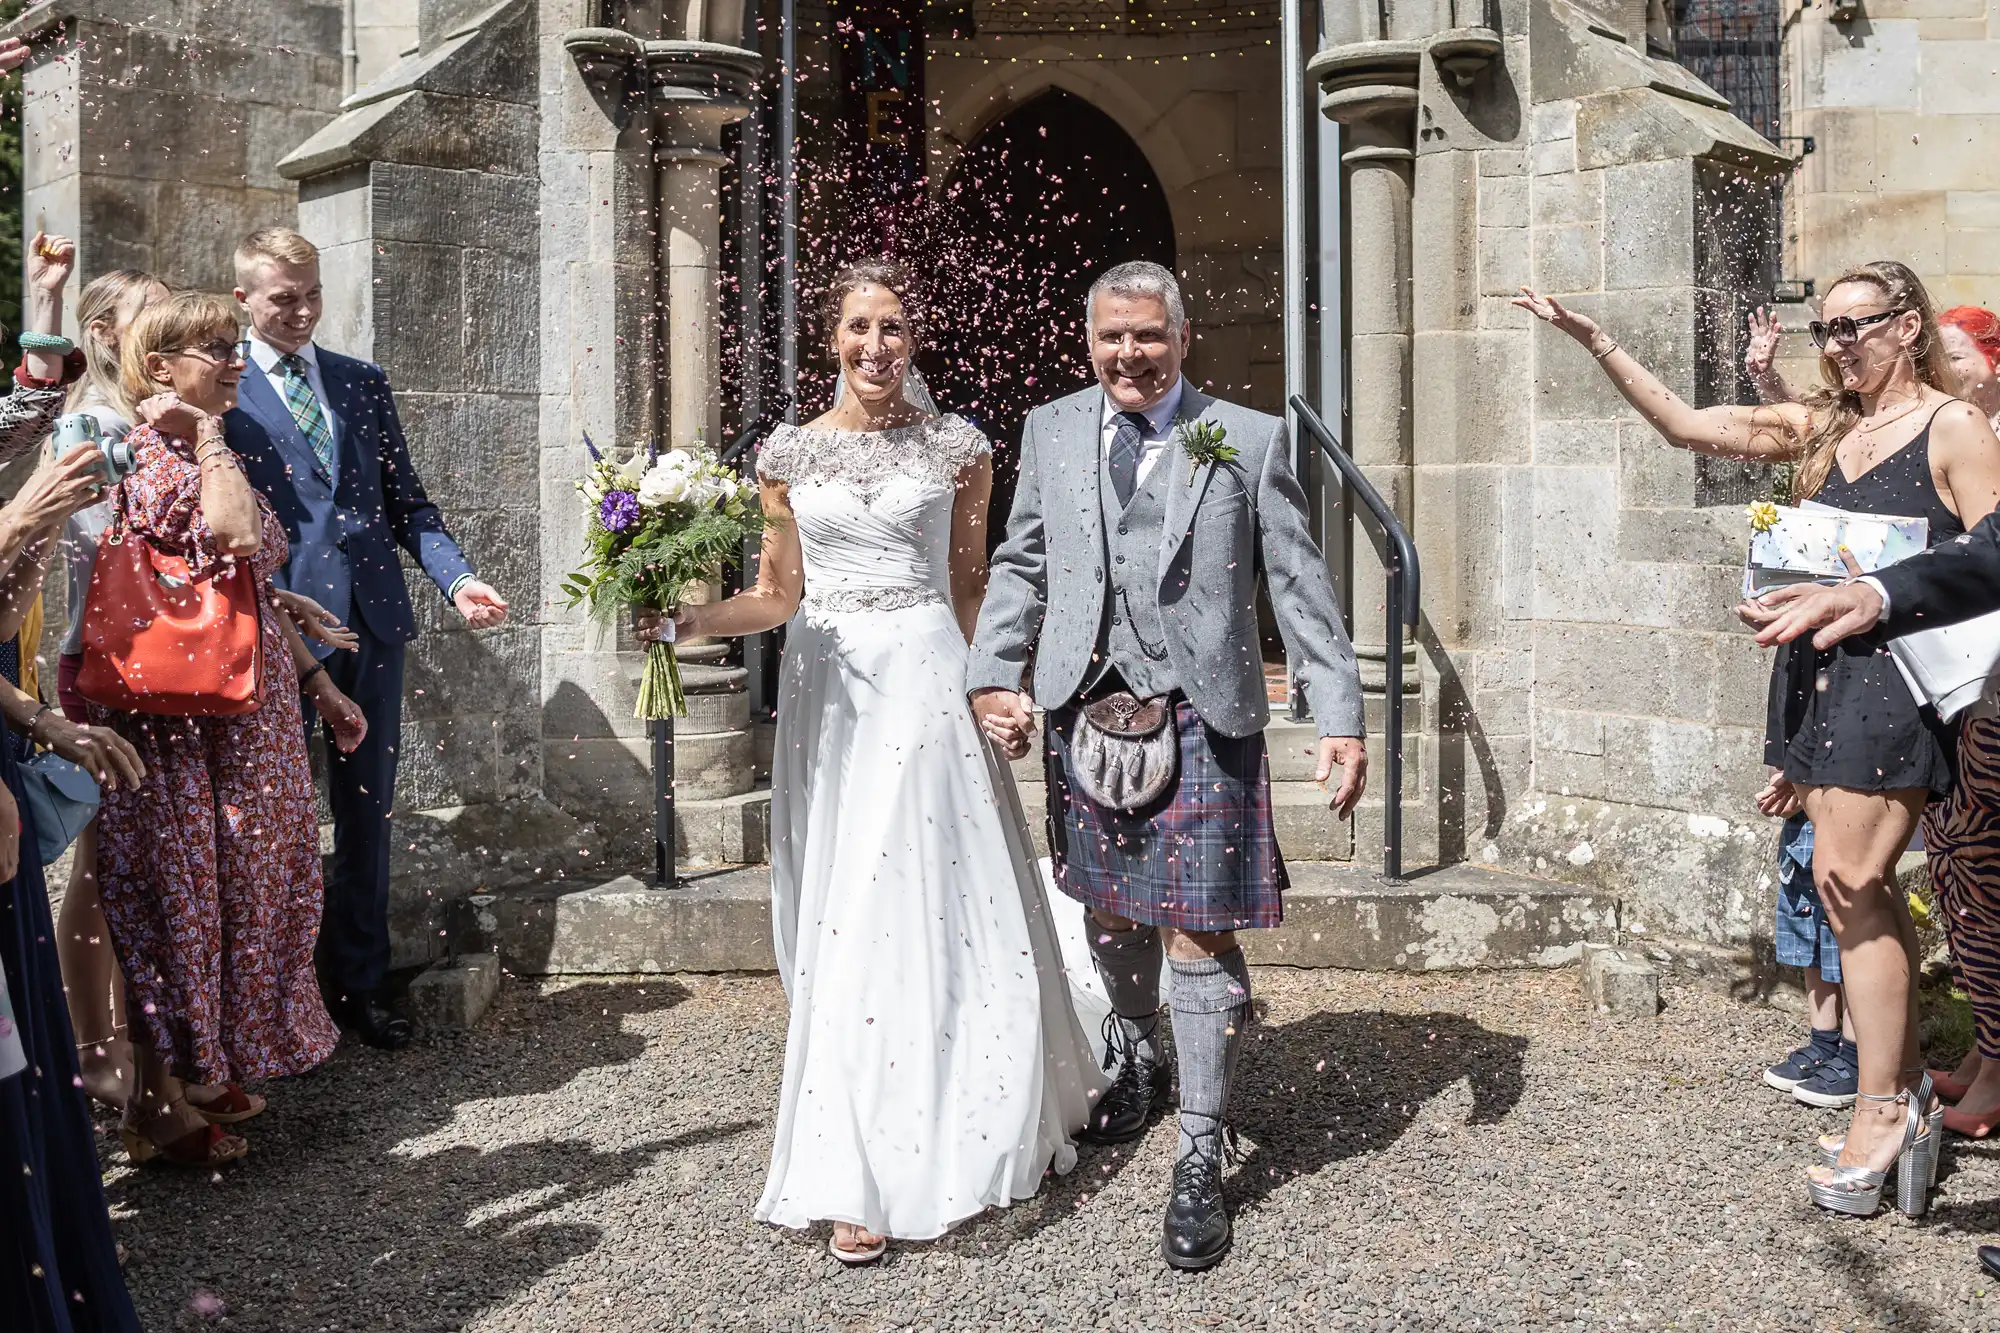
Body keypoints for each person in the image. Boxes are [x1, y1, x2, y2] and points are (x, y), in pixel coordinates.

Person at [1517, 261, 2000, 1218]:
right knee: (1839, 882)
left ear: (1908, 327)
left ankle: (1881, 1108)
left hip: (1896, 677)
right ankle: (1896, 1093)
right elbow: (1689, 426)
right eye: (1824, 330)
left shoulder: (1954, 427)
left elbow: (1996, 549)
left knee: (1856, 882)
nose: (1836, 345)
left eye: (1855, 326)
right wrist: (1600, 342)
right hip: (1809, 673)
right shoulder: (1823, 426)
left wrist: (1876, 592)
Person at [656, 260, 1100, 1264]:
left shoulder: (958, 450)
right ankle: (850, 1148)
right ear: (832, 336)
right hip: (830, 698)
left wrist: (1000, 686)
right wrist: (679, 619)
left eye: (891, 327)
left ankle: (923, 1139)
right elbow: (774, 595)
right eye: (858, 326)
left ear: (913, 338)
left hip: (927, 682)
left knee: (924, 906)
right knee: (846, 907)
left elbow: (970, 588)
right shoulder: (785, 455)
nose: (874, 345)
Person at [967, 260, 1368, 1270]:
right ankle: (1134, 1051)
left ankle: (1198, 1147)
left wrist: (1340, 714)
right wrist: (992, 674)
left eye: (1148, 337)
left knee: (1195, 930)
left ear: (1182, 339)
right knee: (1106, 908)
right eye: (1111, 338)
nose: (1129, 355)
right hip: (1079, 707)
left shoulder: (1243, 436)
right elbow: (1021, 560)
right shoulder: (1050, 430)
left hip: (1201, 713)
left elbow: (1295, 576)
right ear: (1087, 339)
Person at [90, 291, 368, 1166]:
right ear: (161, 367)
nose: (233, 357)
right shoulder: (153, 451)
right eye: (213, 348)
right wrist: (210, 436)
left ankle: (200, 1071)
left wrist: (319, 682)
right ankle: (167, 1097)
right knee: (186, 899)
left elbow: (232, 582)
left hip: (239, 711)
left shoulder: (186, 444)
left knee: (241, 889)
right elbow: (234, 532)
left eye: (229, 343)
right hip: (187, 726)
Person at [224, 227, 508, 1050]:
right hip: (275, 629)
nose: (303, 308)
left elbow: (407, 504)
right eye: (284, 297)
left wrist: (457, 578)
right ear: (244, 298)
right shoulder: (223, 386)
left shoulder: (361, 382)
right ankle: (272, 1001)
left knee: (366, 812)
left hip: (375, 626)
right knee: (273, 822)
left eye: (312, 292)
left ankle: (358, 983)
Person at [51, 268, 169, 1112]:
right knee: (100, 867)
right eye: (148, 320)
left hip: (159, 667)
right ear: (101, 337)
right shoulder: (90, 426)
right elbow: (104, 558)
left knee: (141, 868)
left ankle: (138, 1035)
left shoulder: (143, 420)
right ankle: (94, 1048)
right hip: (107, 665)